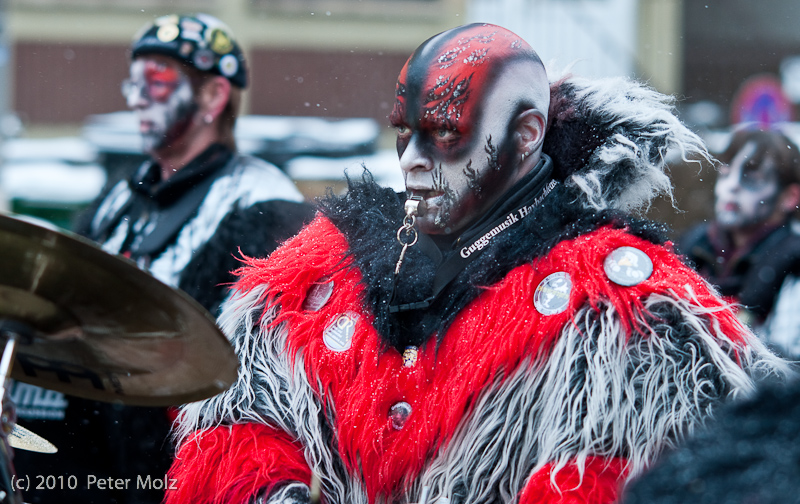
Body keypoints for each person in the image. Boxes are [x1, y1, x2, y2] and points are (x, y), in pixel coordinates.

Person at [166, 24, 790, 504]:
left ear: (525, 135)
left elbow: (630, 469)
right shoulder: (329, 260)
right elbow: (234, 419)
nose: (411, 159)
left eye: (443, 133)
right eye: (404, 133)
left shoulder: (623, 295)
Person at [11, 13, 313, 504]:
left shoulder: (263, 205)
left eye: (157, 80)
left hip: (171, 467)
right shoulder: (121, 197)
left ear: (214, 97)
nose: (135, 98)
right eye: (133, 81)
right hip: (90, 458)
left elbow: (264, 374)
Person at [680, 127, 800, 359]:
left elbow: (787, 369)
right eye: (725, 174)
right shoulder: (691, 244)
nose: (731, 186)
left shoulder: (794, 266)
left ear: (789, 198)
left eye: (751, 179)